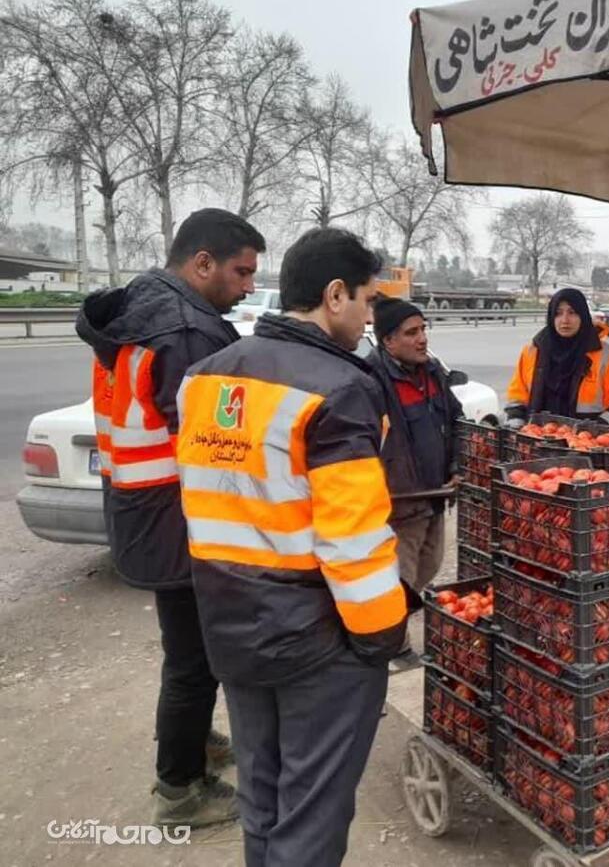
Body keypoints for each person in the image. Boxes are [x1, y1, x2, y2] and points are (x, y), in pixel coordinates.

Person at [176, 227, 417, 867]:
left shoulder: (203, 379)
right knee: (311, 816)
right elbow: (354, 541)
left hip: (230, 625)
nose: (371, 317)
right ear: (335, 295)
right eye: (367, 301)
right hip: (318, 642)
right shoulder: (341, 389)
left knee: (263, 798)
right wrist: (382, 637)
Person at [76, 208, 264, 827]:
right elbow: (217, 447)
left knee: (183, 649)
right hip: (182, 518)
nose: (247, 288)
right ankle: (179, 789)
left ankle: (191, 737)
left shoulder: (138, 309)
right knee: (193, 659)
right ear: (201, 262)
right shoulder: (186, 332)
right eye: (240, 272)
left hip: (140, 508)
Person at [366, 296, 463, 651]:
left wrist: (455, 467)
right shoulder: (372, 381)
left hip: (434, 497)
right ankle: (392, 645)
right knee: (398, 579)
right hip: (400, 506)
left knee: (429, 566)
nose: (422, 339)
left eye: (423, 329)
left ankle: (394, 631)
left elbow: (455, 421)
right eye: (411, 332)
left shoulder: (432, 372)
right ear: (388, 341)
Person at [505, 288, 609, 428]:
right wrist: (516, 427)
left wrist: (594, 431)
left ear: (583, 316)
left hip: (586, 445)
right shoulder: (531, 352)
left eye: (572, 313)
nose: (565, 320)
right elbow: (517, 397)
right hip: (536, 439)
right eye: (558, 313)